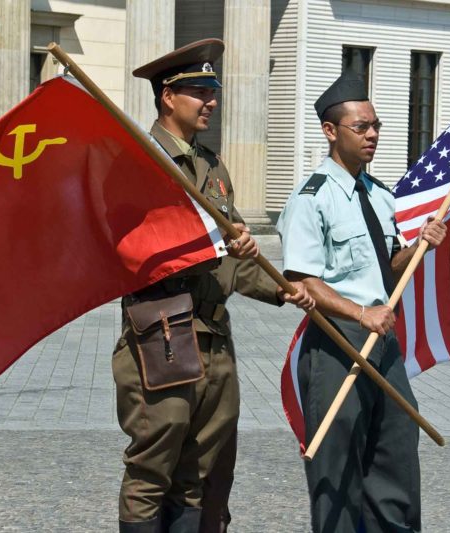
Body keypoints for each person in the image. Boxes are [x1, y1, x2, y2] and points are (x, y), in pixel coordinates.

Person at [115, 38, 314, 533]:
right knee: (151, 471)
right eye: (201, 90)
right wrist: (205, 246)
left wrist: (284, 288)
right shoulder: (140, 162)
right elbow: (127, 250)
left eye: (214, 89)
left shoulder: (212, 167)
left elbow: (233, 261)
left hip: (214, 341)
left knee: (200, 474)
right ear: (168, 95)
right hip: (161, 336)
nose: (213, 101)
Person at [276, 71, 447, 533]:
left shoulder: (379, 195)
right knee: (338, 469)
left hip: (381, 341)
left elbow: (387, 266)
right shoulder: (311, 199)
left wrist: (420, 247)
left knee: (395, 456)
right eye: (361, 127)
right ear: (331, 131)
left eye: (376, 126)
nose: (372, 135)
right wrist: (360, 313)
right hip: (337, 342)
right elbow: (302, 281)